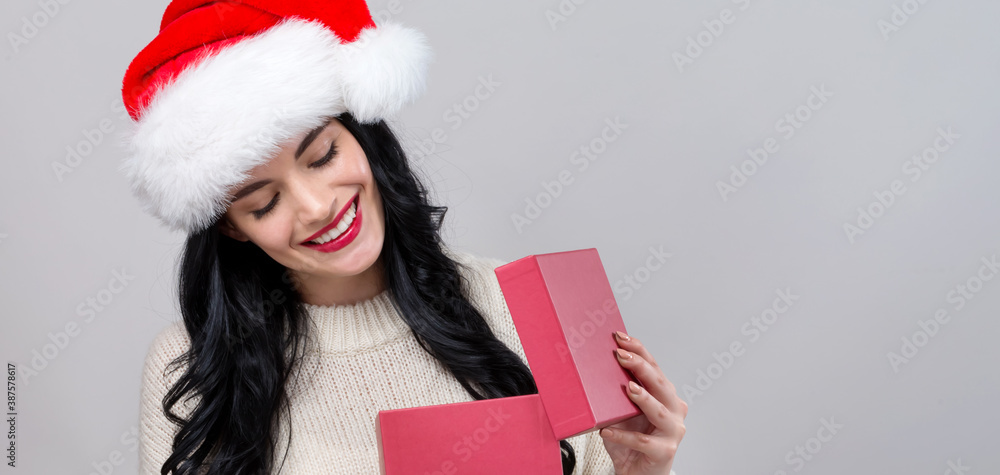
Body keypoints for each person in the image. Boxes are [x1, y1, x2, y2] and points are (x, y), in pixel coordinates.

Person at [119, 1, 687, 474]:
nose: (317, 207)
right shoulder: (189, 366)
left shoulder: (523, 305)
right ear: (231, 227)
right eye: (264, 203)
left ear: (363, 138)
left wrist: (640, 471)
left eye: (322, 156)